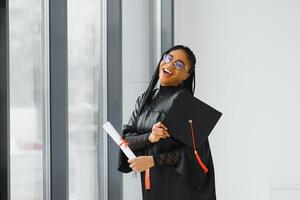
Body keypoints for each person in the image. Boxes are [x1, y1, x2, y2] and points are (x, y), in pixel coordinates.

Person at [118, 45, 216, 200]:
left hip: (181, 189)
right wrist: (150, 137)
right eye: (168, 58)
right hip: (155, 187)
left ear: (186, 75)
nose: (169, 65)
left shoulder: (186, 104)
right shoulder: (145, 100)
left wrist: (152, 161)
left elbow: (195, 154)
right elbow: (125, 142)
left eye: (178, 64)